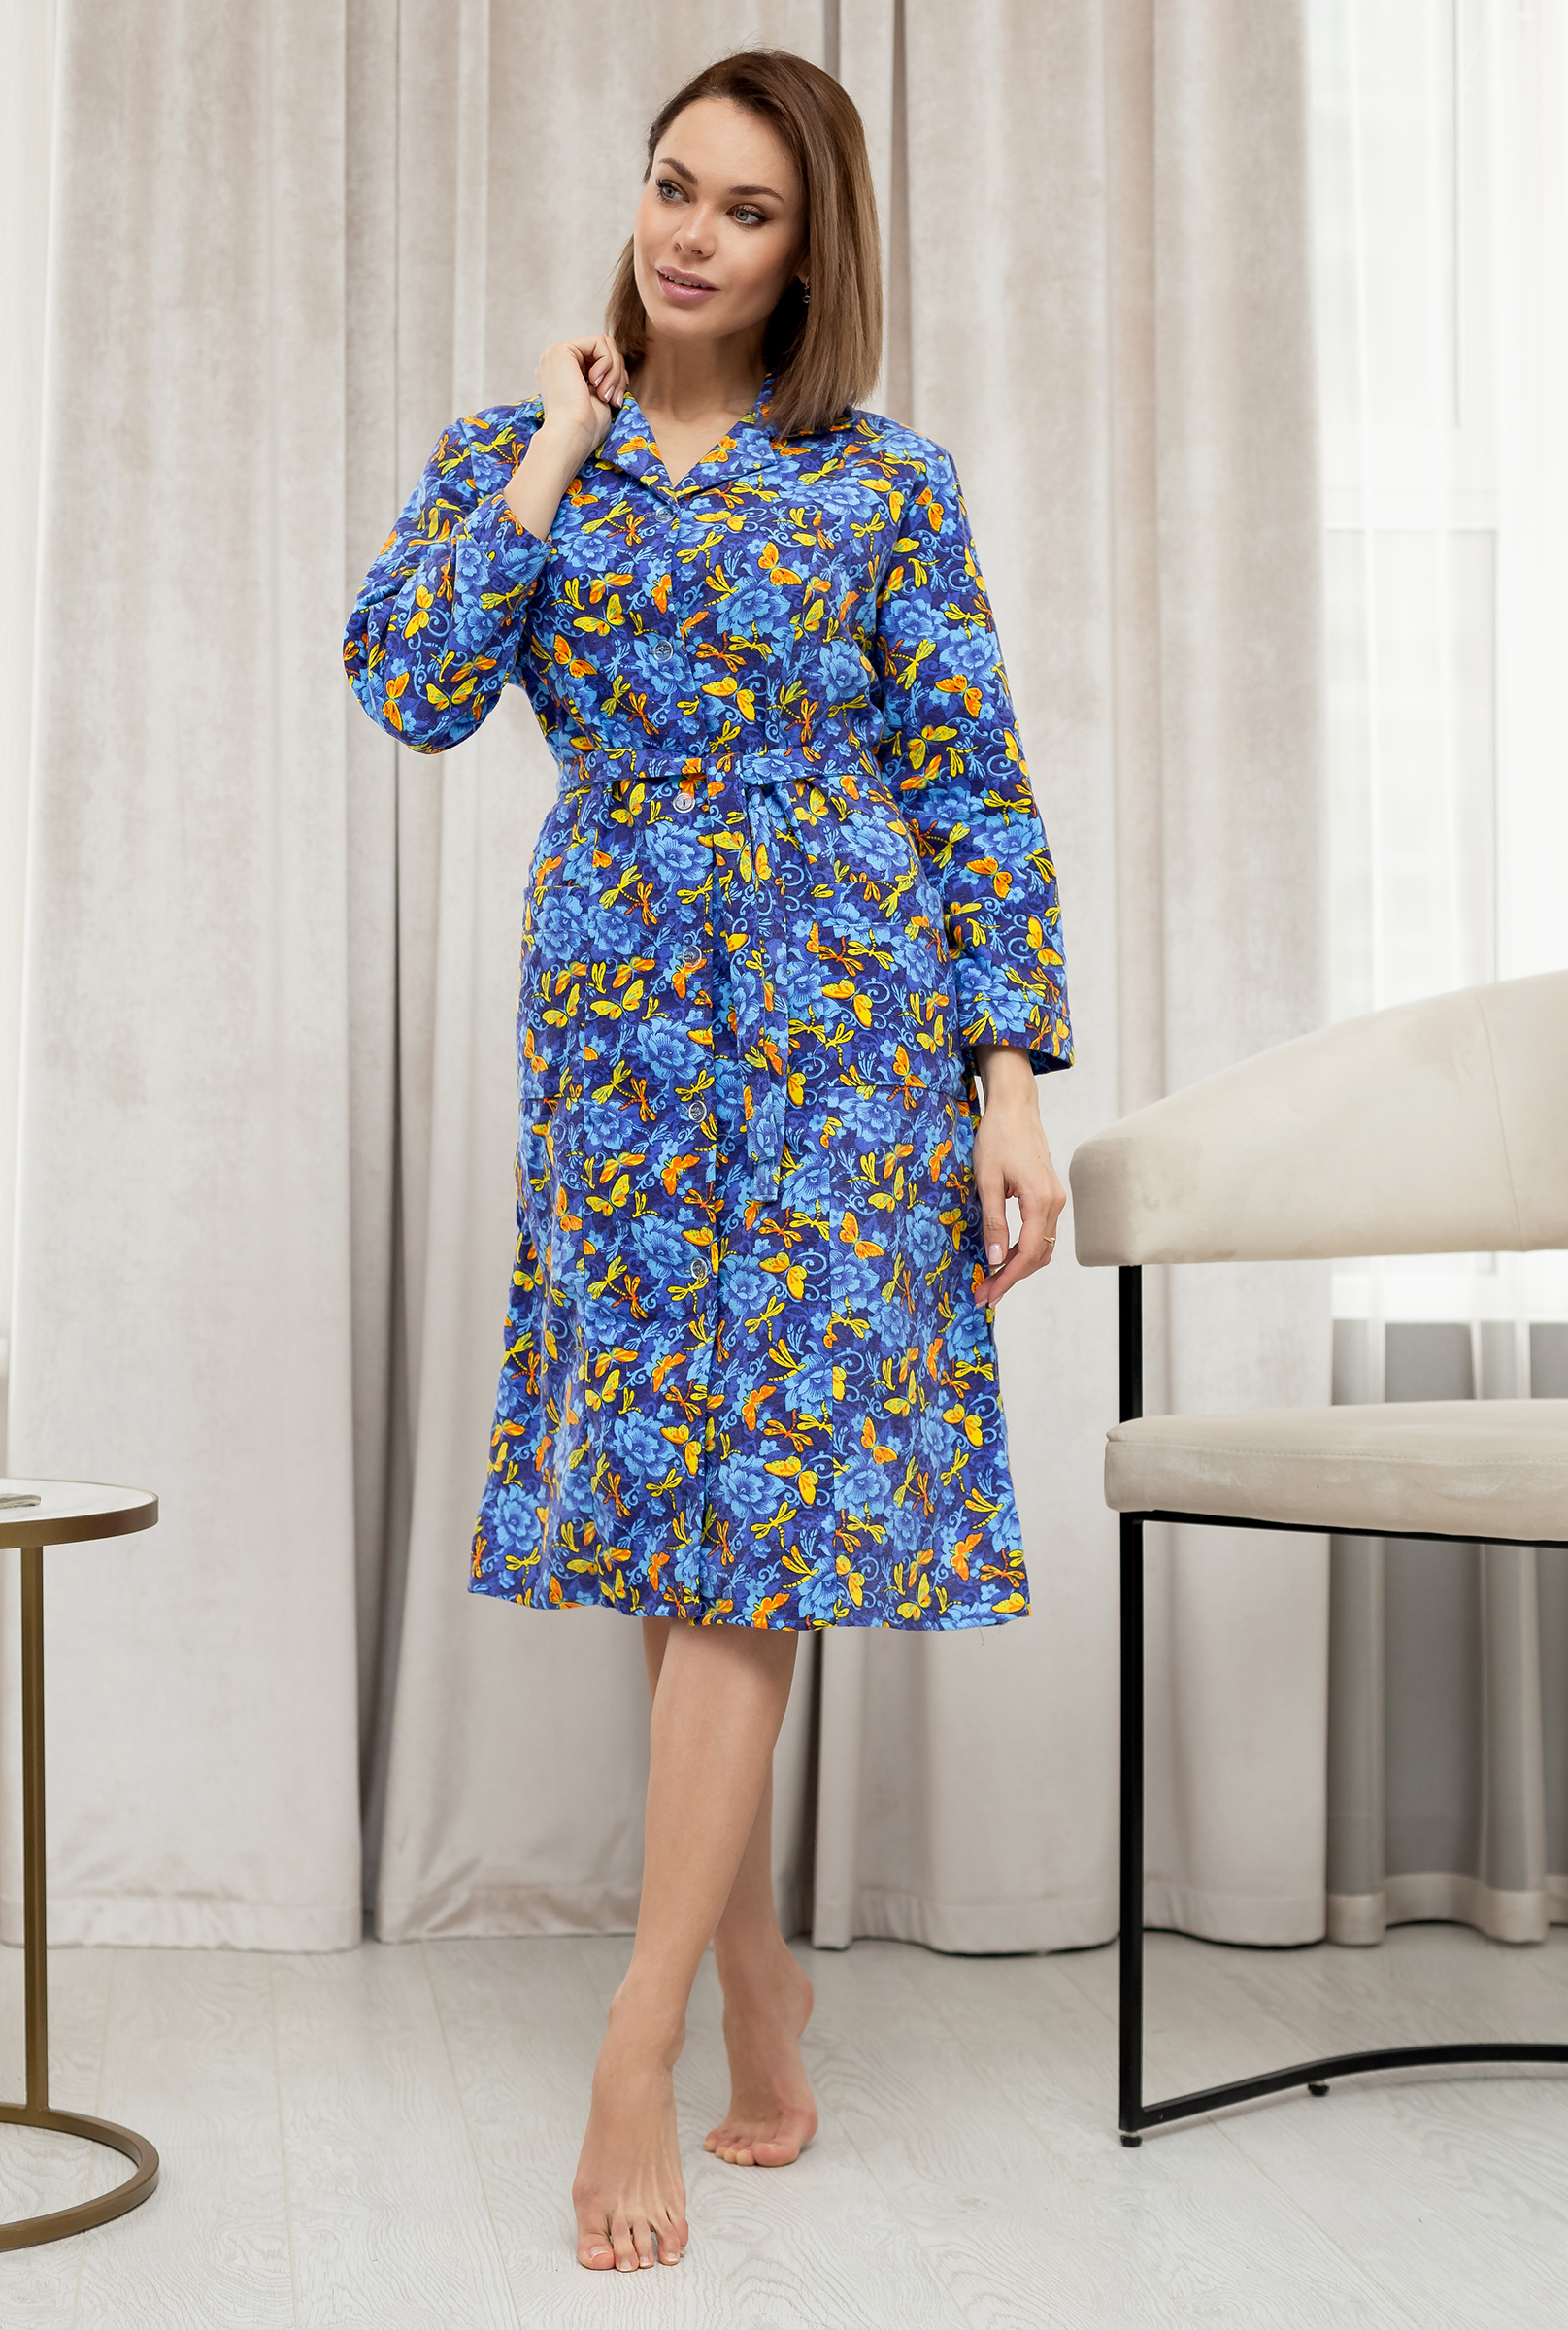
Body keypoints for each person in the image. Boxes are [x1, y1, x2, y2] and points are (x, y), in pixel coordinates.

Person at [345, 48, 1072, 2279]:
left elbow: (971, 778)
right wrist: (554, 456)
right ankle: (761, 1986)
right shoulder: (508, 456)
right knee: (682, 1514)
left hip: (846, 1033)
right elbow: (412, 688)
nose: (692, 234)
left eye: (747, 211)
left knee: (757, 1527)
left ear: (806, 254)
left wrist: (1008, 1082)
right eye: (676, 186)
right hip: (626, 1033)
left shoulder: (885, 486)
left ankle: (638, 2032)